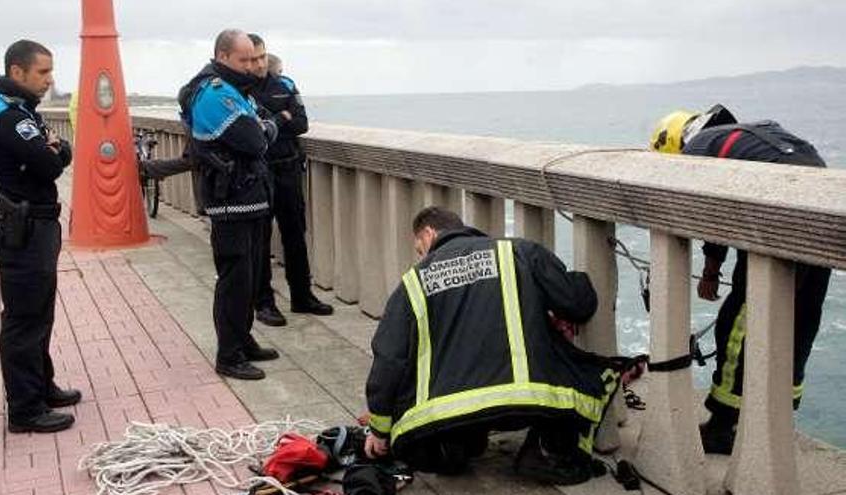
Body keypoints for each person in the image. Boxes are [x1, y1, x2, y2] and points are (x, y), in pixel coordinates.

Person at [363, 207, 621, 485]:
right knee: (591, 372)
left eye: (419, 248)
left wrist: (380, 429)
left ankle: (456, 444)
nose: (422, 256)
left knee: (426, 421)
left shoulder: (413, 282)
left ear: (429, 233)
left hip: (453, 412)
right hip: (528, 403)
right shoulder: (519, 252)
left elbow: (389, 357)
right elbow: (577, 303)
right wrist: (575, 284)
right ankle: (549, 448)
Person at [650, 104, 832, 454]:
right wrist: (714, 265)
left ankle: (722, 423)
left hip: (780, 212)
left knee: (739, 322)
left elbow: (713, 210)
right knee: (800, 319)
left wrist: (710, 270)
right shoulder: (745, 134)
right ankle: (778, 415)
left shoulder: (697, 149)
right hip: (820, 205)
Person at [0, 40, 81, 433]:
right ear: (17, 72)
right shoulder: (6, 115)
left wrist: (56, 148)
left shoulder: (21, 110)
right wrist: (54, 149)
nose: (50, 80)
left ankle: (41, 385)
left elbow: (59, 151)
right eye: (43, 72)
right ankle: (25, 409)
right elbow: (49, 163)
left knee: (40, 313)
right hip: (23, 229)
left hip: (36, 226)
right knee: (24, 319)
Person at [178, 29, 285, 380]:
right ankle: (229, 355)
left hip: (249, 197)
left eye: (256, 59)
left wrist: (264, 126)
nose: (253, 66)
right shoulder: (215, 93)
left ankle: (244, 339)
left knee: (251, 275)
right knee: (234, 280)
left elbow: (263, 127)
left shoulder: (237, 90)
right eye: (245, 60)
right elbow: (256, 139)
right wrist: (265, 127)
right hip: (230, 201)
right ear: (223, 57)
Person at [247, 34, 333, 327]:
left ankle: (302, 295)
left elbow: (302, 123)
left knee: (295, 233)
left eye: (262, 57)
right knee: (260, 237)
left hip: (288, 168)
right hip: (258, 172)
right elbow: (253, 133)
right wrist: (281, 119)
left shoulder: (284, 84)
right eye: (253, 58)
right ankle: (264, 302)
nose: (259, 64)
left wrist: (276, 122)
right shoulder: (237, 90)